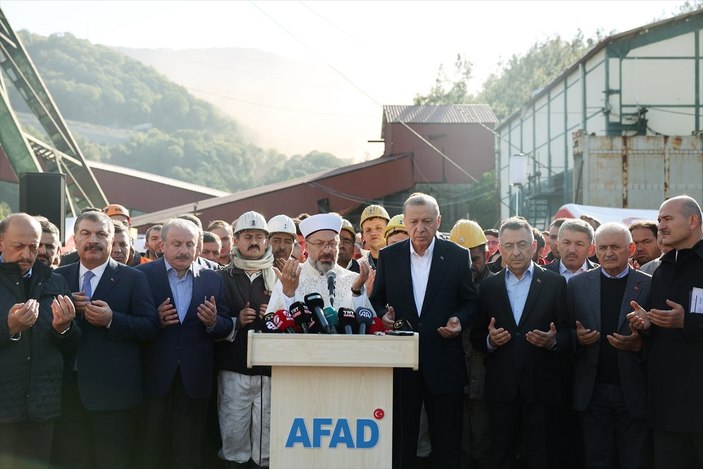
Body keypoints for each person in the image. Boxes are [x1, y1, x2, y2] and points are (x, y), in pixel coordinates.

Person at [371, 192, 478, 469]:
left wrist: (458, 320)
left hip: (444, 362)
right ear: (405, 222)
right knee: (401, 442)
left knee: (447, 443)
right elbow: (378, 299)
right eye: (414, 221)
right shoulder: (389, 256)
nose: (421, 228)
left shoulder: (457, 256)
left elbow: (469, 301)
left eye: (427, 221)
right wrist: (384, 316)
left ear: (438, 221)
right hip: (402, 364)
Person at [53, 210, 159, 468]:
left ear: (112, 240)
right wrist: (61, 322)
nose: (93, 240)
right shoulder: (58, 278)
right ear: (75, 240)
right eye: (86, 234)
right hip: (68, 394)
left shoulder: (134, 278)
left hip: (115, 396)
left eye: (101, 234)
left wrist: (113, 319)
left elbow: (150, 326)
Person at [470, 217, 569, 469]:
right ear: (499, 248)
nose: (516, 252)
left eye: (523, 244)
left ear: (534, 246)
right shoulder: (490, 287)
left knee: (541, 455)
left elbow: (568, 333)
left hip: (542, 388)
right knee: (501, 455)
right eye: (509, 245)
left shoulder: (555, 283)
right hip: (501, 388)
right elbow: (476, 335)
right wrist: (490, 341)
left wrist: (552, 341)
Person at [135, 217, 233, 469]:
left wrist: (212, 322)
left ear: (198, 247)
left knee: (188, 452)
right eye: (176, 243)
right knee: (150, 448)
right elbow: (133, 323)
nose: (183, 250)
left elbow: (225, 326)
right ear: (162, 246)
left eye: (190, 244)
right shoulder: (141, 276)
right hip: (154, 376)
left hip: (195, 379)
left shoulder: (213, 279)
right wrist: (153, 319)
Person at [628, 195, 703, 469]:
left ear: (693, 221)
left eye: (668, 219)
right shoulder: (661, 270)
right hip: (667, 406)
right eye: (659, 220)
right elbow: (657, 330)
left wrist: (689, 322)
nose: (661, 226)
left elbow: (685, 322)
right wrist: (645, 325)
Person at [569, 222, 651, 469]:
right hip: (592, 392)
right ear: (595, 249)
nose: (609, 253)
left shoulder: (648, 284)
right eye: (603, 247)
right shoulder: (578, 285)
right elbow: (566, 330)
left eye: (615, 247)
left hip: (633, 391)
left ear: (631, 248)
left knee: (634, 460)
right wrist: (577, 338)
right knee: (597, 460)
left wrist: (639, 344)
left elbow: (659, 337)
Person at [0, 214, 79, 469]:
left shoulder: (54, 281)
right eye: (18, 246)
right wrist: (8, 328)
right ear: (1, 243)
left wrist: (64, 329)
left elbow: (72, 344)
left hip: (42, 406)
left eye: (33, 247)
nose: (27, 254)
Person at [216, 211, 275, 468]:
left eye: (259, 236)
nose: (254, 241)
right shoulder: (221, 276)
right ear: (236, 241)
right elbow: (212, 322)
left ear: (266, 241)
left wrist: (274, 315)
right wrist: (236, 321)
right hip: (233, 369)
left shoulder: (280, 277)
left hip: (270, 373)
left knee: (267, 448)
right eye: (248, 236)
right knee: (234, 444)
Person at [449, 219, 492, 469]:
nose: (469, 266)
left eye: (474, 259)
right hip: (455, 385)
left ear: (486, 254)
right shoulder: (444, 289)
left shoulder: (498, 287)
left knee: (486, 450)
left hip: (488, 385)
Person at [267, 213, 373, 314]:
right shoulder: (290, 277)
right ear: (307, 247)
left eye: (332, 244)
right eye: (319, 243)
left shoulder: (353, 280)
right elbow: (273, 325)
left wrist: (357, 293)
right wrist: (288, 293)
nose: (327, 250)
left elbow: (367, 325)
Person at [360, 204, 390, 269]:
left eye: (378, 228)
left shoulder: (401, 261)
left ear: (388, 231)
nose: (373, 233)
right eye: (368, 230)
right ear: (363, 236)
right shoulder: (358, 267)